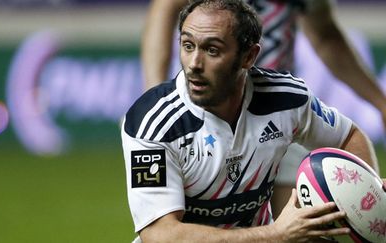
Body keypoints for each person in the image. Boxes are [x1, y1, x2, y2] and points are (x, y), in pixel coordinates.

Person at [121, 0, 382, 242]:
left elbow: (347, 135)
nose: (194, 64)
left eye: (212, 50)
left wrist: (366, 190)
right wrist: (275, 234)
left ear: (249, 56)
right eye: (188, 46)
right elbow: (161, 236)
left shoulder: (288, 99)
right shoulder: (154, 124)